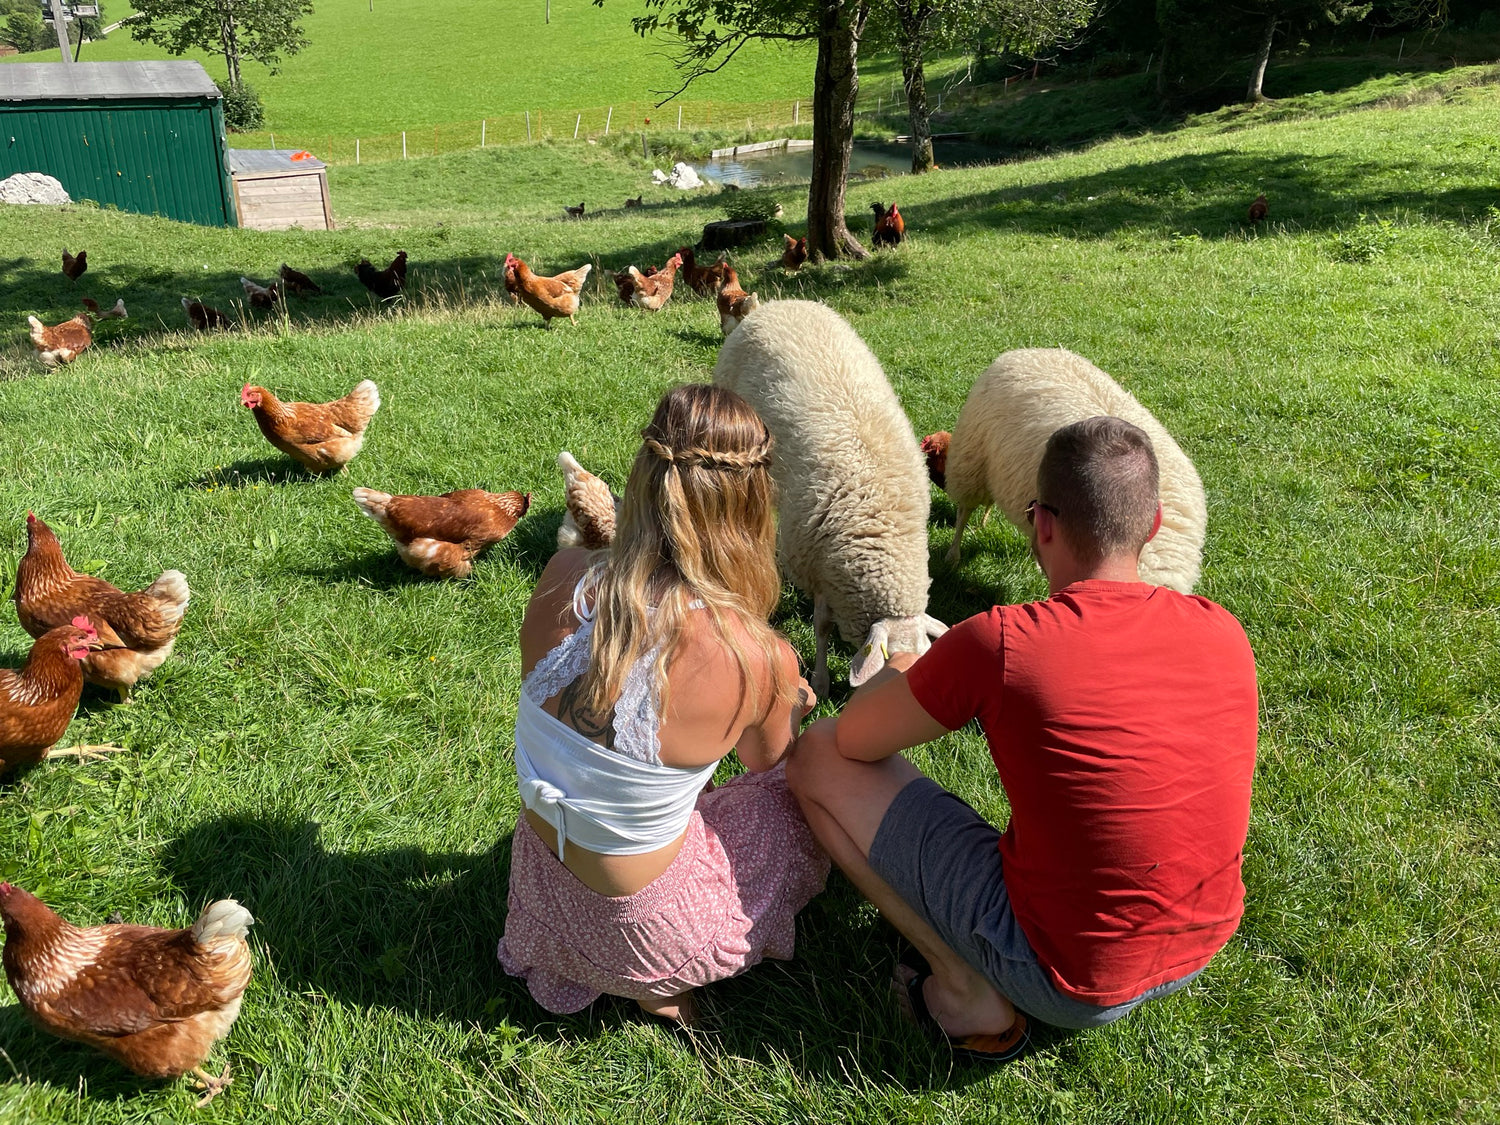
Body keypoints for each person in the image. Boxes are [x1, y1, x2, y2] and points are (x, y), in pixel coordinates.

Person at [787, 415, 1258, 1059]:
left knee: (816, 755)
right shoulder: (1224, 630)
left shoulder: (1003, 641)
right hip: (1200, 947)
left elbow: (854, 740)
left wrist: (903, 665)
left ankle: (963, 989)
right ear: (1152, 525)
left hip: (1067, 981)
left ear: (1043, 526)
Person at [497, 384, 828, 1025]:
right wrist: (792, 706)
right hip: (652, 932)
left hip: (543, 894)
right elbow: (767, 763)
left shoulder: (562, 575)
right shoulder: (756, 656)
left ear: (644, 478)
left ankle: (593, 961)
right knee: (791, 799)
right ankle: (659, 981)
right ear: (752, 505)